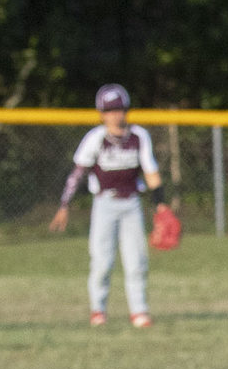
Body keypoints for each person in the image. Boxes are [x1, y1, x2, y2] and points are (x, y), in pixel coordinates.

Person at [49, 83, 165, 327]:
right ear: (102, 113)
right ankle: (98, 310)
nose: (116, 115)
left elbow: (151, 172)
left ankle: (139, 311)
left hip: (132, 204)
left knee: (137, 261)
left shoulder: (138, 136)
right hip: (105, 203)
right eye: (110, 110)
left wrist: (161, 205)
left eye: (120, 109)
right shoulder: (96, 138)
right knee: (102, 261)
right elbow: (77, 173)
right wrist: (64, 205)